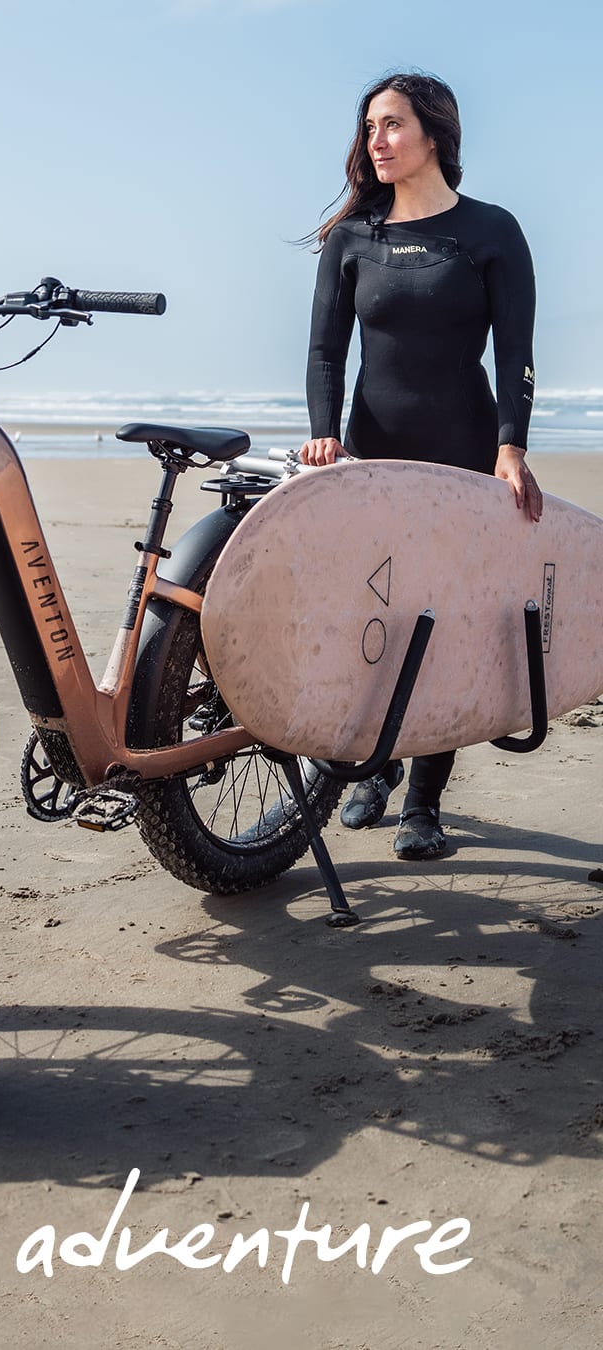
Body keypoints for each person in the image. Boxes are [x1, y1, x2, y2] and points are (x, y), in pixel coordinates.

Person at [300, 70, 542, 861]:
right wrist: (323, 437)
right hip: (372, 458)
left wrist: (511, 448)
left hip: (463, 458)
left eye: (392, 124)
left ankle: (423, 803)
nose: (376, 139)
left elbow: (515, 353)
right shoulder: (354, 237)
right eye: (369, 126)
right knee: (369, 622)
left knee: (445, 626)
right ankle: (373, 767)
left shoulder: (490, 231)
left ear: (434, 134)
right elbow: (325, 352)